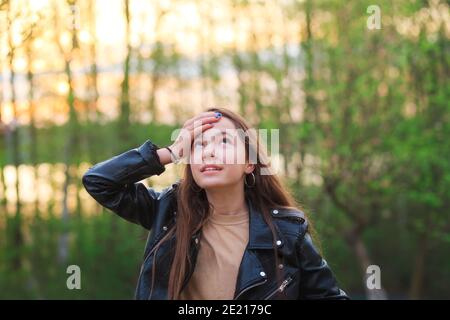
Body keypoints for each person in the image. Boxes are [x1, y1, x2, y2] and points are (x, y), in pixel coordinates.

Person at [82, 107, 349, 300]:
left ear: (249, 163)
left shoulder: (287, 230)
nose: (208, 151)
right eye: (197, 145)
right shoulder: (167, 212)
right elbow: (98, 181)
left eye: (224, 141)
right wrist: (171, 152)